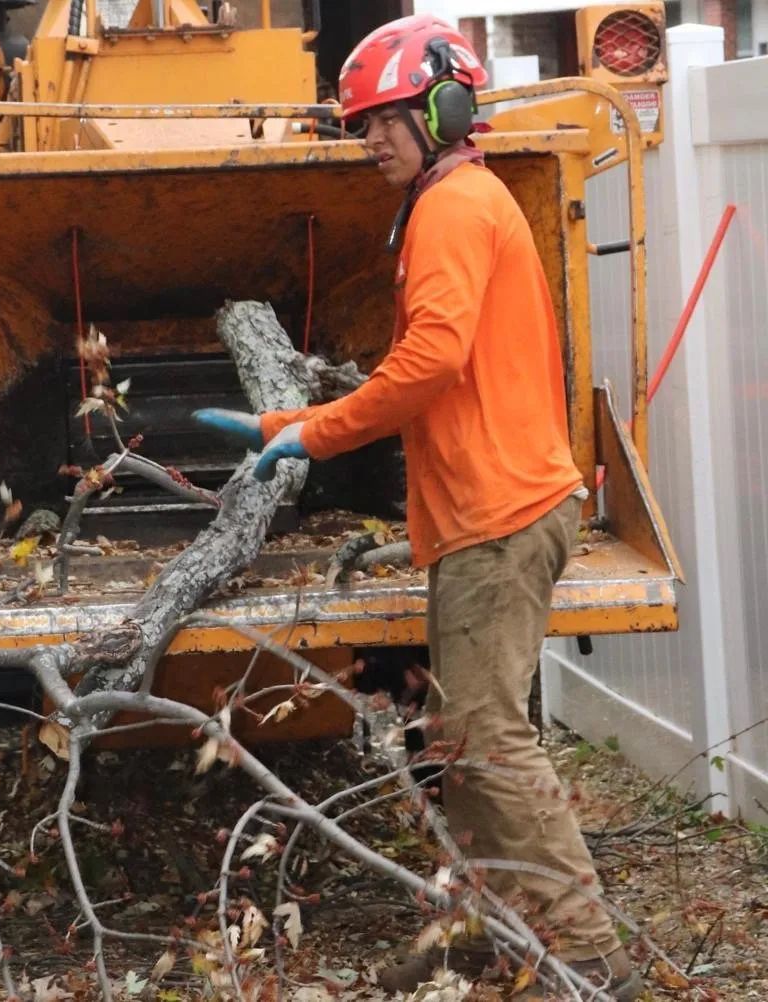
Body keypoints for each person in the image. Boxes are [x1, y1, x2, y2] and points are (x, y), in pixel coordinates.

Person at [193, 13, 643, 1001]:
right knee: (461, 739)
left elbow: (430, 364)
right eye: (361, 125)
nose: (371, 141)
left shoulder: (450, 207)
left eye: (387, 119)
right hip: (489, 511)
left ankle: (586, 955)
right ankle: (496, 937)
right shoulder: (461, 199)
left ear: (444, 106)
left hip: (501, 514)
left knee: (486, 739)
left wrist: (305, 433)